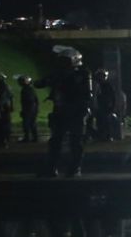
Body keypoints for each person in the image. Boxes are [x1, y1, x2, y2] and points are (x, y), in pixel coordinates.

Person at [37, 45, 93, 177]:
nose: (63, 63)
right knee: (55, 140)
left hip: (76, 110)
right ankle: (51, 167)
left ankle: (75, 168)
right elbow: (41, 83)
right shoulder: (58, 73)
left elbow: (87, 94)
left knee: (76, 141)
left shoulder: (82, 73)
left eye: (66, 61)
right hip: (60, 110)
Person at [93, 67, 123, 142]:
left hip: (105, 106)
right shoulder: (97, 85)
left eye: (101, 76)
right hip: (100, 106)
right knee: (100, 122)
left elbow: (112, 96)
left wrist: (112, 105)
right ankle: (101, 136)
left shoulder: (107, 85)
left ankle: (107, 136)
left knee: (106, 122)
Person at [17, 74, 40, 143]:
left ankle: (27, 138)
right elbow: (36, 100)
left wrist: (25, 110)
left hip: (29, 109)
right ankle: (34, 138)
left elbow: (29, 100)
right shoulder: (30, 89)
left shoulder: (26, 89)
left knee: (27, 124)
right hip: (32, 109)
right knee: (32, 123)